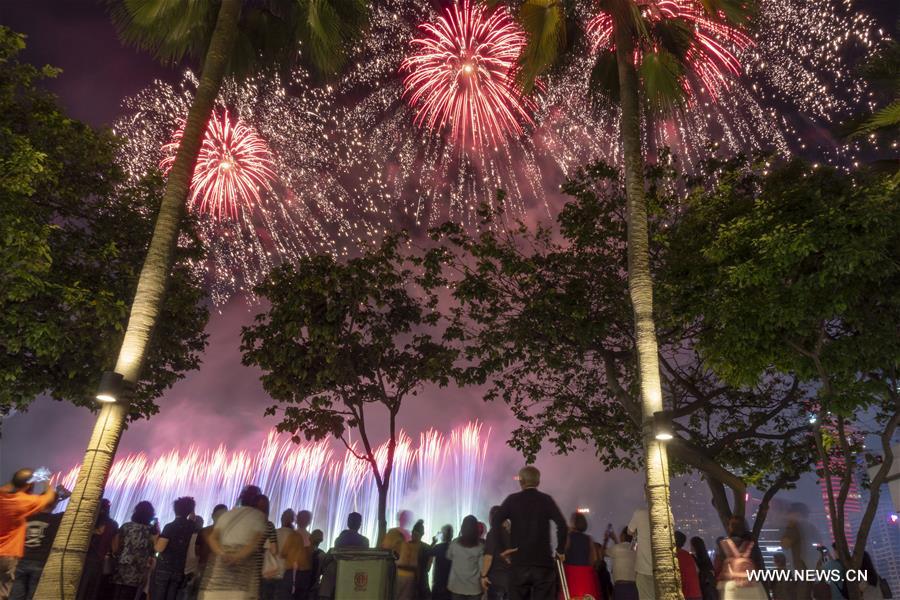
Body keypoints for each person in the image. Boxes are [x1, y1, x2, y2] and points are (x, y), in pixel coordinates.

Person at [492, 466, 567, 600]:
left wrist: (502, 550)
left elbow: (496, 521)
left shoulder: (512, 500)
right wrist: (560, 550)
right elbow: (562, 525)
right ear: (538, 482)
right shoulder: (546, 500)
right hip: (543, 563)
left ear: (521, 482)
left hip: (519, 562)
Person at [199, 486, 267, 600]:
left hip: (217, 579)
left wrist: (222, 554)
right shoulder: (258, 516)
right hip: (242, 578)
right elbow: (255, 541)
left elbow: (212, 538)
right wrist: (237, 556)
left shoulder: (227, 515)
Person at [1, 470, 58, 600]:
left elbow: (9, 487)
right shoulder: (23, 502)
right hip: (9, 555)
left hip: (15, 558)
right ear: (28, 486)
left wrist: (18, 482)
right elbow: (49, 498)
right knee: (5, 592)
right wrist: (46, 480)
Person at [153, 496, 198, 600]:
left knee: (159, 595)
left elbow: (159, 548)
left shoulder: (170, 527)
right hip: (179, 569)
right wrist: (192, 507)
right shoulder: (191, 526)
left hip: (165, 567)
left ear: (175, 510)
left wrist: (155, 539)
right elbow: (192, 518)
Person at [111, 500, 157, 600]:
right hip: (139, 568)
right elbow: (155, 549)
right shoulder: (151, 531)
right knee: (130, 595)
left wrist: (116, 554)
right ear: (150, 515)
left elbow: (115, 544)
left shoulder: (126, 526)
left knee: (116, 593)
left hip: (122, 564)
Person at [77, 498, 119, 600]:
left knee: (77, 587)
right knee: (91, 590)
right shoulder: (113, 525)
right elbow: (115, 548)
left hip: (80, 558)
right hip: (98, 561)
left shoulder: (87, 520)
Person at [716, 518, 766, 600]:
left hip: (731, 587)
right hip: (751, 586)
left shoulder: (723, 545)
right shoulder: (752, 544)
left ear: (730, 528)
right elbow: (760, 566)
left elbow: (718, 567)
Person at [562, 512, 600, 600]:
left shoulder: (569, 537)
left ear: (573, 523)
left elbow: (562, 554)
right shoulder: (589, 539)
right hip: (586, 575)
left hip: (571, 574)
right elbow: (594, 559)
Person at [278, 509, 313, 600]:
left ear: (297, 520)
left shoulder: (293, 535)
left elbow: (283, 553)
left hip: (292, 572)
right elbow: (310, 555)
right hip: (305, 574)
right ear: (309, 522)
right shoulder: (310, 537)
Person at [447, 515, 484, 600]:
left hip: (456, 586)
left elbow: (449, 556)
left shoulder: (454, 543)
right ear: (476, 529)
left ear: (462, 527)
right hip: (474, 588)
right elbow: (481, 568)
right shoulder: (480, 547)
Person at [395, 520, 430, 600]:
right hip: (419, 580)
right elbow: (427, 568)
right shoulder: (426, 548)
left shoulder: (404, 544)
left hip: (403, 578)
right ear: (422, 534)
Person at [483, 507, 511, 600]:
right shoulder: (510, 533)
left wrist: (483, 575)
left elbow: (488, 558)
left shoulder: (493, 533)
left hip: (497, 582)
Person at [626, 508, 653, 600]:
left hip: (643, 568)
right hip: (662, 569)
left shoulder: (640, 513)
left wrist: (638, 531)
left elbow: (629, 531)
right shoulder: (666, 514)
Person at [255, 496, 279, 600]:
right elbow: (274, 550)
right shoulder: (269, 525)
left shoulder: (246, 522)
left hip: (243, 562)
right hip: (259, 566)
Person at [605, 528, 637, 600]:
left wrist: (606, 540)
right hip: (633, 587)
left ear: (623, 535)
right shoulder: (635, 549)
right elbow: (623, 551)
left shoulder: (616, 548)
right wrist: (615, 540)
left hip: (620, 587)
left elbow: (602, 553)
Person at [674, 532, 702, 600]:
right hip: (696, 593)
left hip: (686, 595)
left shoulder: (674, 556)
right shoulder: (687, 555)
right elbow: (697, 571)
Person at [430, 525, 453, 600]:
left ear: (442, 535)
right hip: (451, 583)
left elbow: (427, 553)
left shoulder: (438, 547)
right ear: (451, 535)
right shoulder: (455, 547)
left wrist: (433, 542)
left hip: (438, 583)